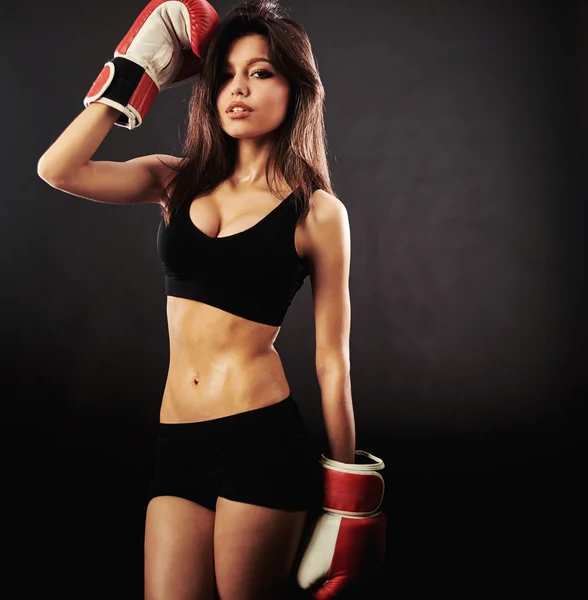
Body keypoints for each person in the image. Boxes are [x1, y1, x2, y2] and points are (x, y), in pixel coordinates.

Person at [37, 1, 384, 598]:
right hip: (179, 440)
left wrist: (347, 496)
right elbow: (58, 168)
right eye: (224, 73)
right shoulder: (175, 181)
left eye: (260, 72)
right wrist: (133, 74)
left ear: (296, 88)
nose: (237, 89)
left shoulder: (318, 212)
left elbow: (334, 362)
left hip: (260, 440)